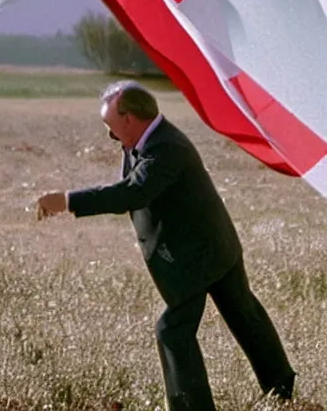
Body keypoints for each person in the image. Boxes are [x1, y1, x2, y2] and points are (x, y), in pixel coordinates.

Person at [36, 81, 295, 410]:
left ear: (129, 118)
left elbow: (132, 193)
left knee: (173, 329)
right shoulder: (141, 141)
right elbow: (132, 188)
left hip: (200, 255)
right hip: (209, 245)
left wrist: (68, 201)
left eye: (110, 126)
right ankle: (281, 385)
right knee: (244, 312)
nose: (110, 136)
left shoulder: (167, 147)